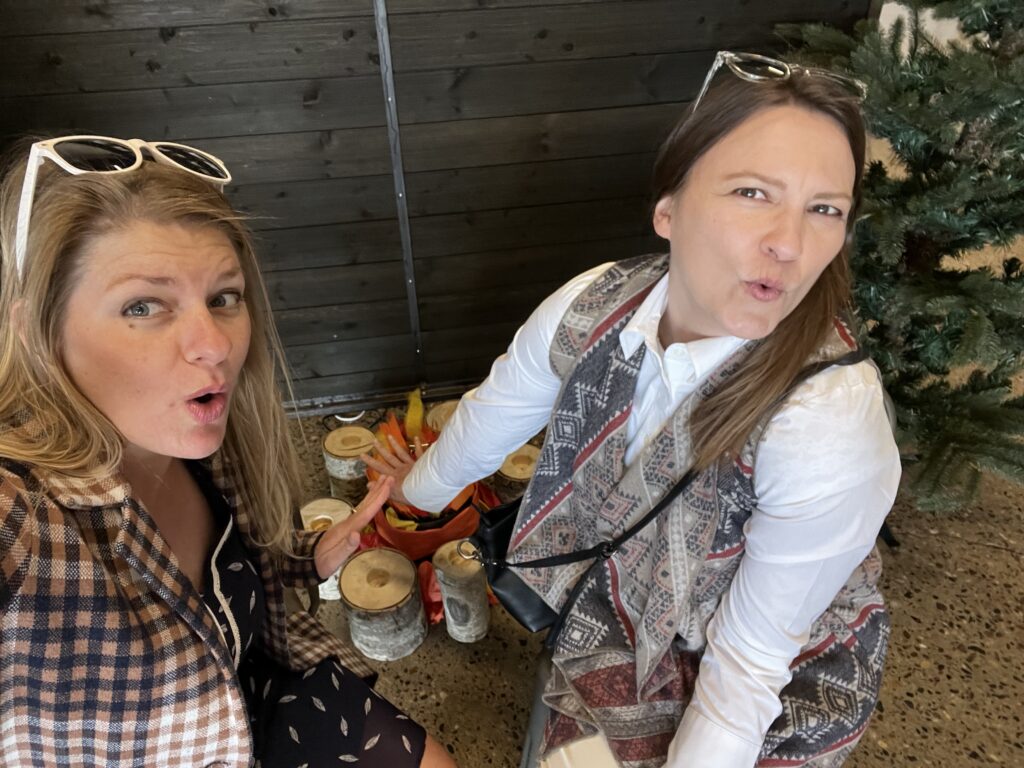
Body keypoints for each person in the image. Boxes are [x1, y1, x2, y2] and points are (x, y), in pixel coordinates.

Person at [366, 52, 901, 768]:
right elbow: (489, 421)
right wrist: (409, 492)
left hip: (761, 692)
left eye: (825, 209)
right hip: (611, 619)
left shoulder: (828, 421)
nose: (789, 245)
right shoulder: (591, 305)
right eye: (751, 192)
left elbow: (745, 671)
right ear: (668, 211)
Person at [0, 136, 456, 768]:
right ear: (36, 333)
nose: (213, 344)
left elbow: (243, 581)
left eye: (223, 298)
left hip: (255, 698)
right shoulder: (23, 516)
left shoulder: (208, 450)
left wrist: (307, 560)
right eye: (143, 306)